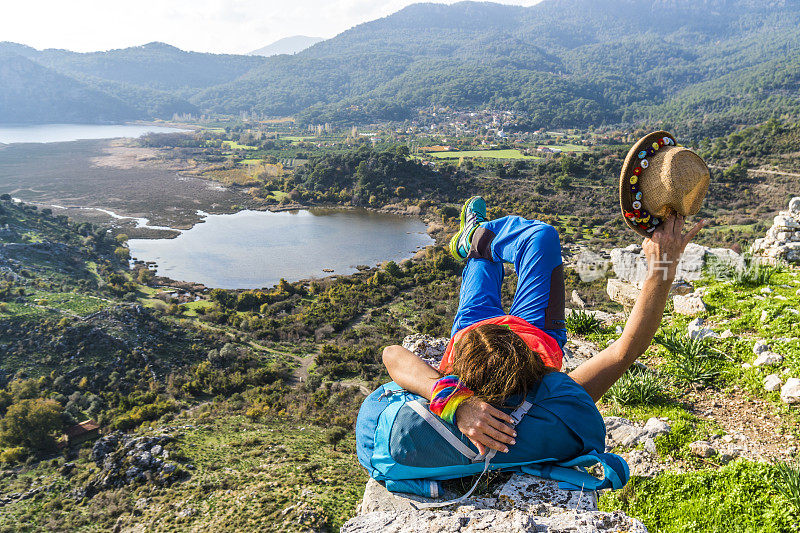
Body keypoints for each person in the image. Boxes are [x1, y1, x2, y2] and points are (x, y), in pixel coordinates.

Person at [383, 195, 702, 456]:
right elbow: (626, 350)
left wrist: (456, 402)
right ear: (540, 372)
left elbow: (392, 355)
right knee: (541, 237)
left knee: (483, 261)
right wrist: (665, 264)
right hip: (535, 332)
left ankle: (474, 236)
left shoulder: (457, 385)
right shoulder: (551, 399)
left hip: (473, 335)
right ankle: (476, 238)